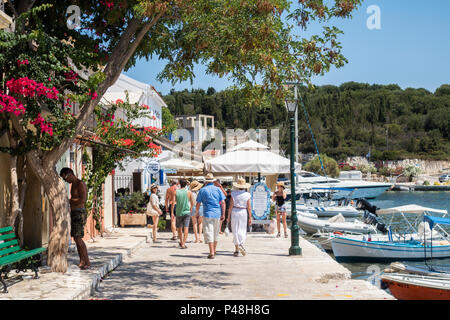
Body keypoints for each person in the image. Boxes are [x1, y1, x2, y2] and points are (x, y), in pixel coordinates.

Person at [59, 167, 90, 270]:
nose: (66, 181)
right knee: (76, 238)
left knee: (78, 238)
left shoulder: (80, 184)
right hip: (74, 212)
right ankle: (83, 261)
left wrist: (69, 201)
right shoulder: (73, 185)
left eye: (65, 178)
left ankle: (86, 261)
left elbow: (82, 200)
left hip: (79, 213)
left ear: (70, 175)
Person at [195, 173, 226, 259]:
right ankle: (214, 250)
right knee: (216, 233)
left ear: (206, 181)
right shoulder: (218, 189)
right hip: (217, 213)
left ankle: (212, 252)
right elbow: (223, 202)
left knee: (209, 232)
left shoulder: (202, 190)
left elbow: (198, 203)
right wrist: (223, 214)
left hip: (207, 213)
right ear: (213, 181)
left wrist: (197, 212)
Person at [227, 178, 252, 257]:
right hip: (243, 212)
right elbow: (249, 207)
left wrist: (228, 217)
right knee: (242, 229)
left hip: (234, 211)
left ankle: (237, 249)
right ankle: (241, 243)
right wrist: (250, 217)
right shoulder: (247, 195)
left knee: (235, 229)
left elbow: (230, 206)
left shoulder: (233, 194)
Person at [171, 179, 194, 249]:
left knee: (179, 228)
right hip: (187, 212)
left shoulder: (176, 192)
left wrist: (172, 213)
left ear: (179, 184)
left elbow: (173, 204)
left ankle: (181, 241)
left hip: (178, 212)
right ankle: (183, 243)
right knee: (186, 228)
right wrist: (190, 209)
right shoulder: (189, 192)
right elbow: (192, 203)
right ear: (186, 184)